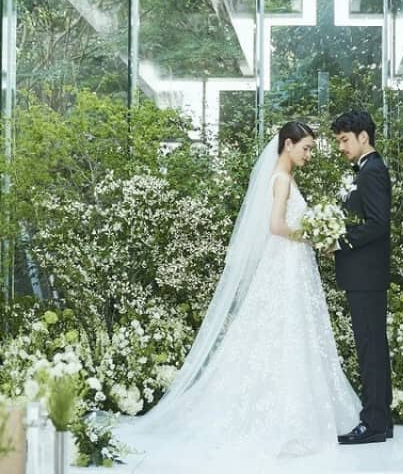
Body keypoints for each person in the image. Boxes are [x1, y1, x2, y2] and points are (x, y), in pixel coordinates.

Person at [115, 122, 361, 469]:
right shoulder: (281, 180)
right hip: (286, 265)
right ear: (288, 145)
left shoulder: (284, 178)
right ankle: (285, 418)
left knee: (289, 334)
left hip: (292, 265)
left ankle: (294, 411)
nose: (308, 154)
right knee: (286, 332)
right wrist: (313, 236)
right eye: (305, 148)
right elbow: (276, 226)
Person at [331, 111, 393, 444]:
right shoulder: (366, 170)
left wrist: (339, 240)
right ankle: (382, 420)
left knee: (370, 348)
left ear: (363, 137)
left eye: (345, 140)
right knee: (372, 347)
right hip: (364, 276)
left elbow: (378, 224)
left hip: (366, 276)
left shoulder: (373, 171)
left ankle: (374, 422)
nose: (341, 147)